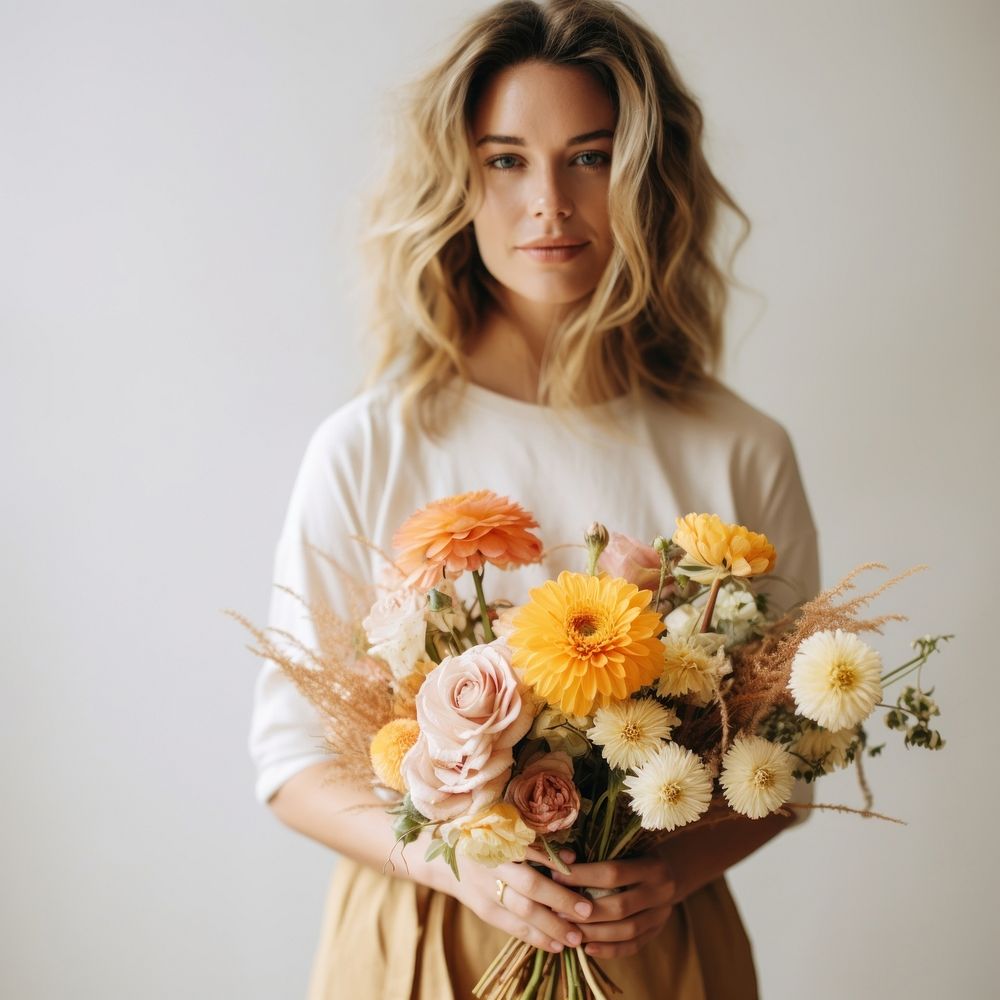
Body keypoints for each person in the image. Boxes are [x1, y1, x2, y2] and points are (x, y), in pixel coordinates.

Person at [249, 2, 819, 997]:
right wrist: (453, 861)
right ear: (454, 181)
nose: (547, 201)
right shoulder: (369, 446)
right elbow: (290, 762)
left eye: (588, 157)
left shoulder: (740, 450)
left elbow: (792, 755)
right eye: (506, 159)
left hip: (655, 949)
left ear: (645, 178)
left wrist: (665, 873)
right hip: (423, 944)